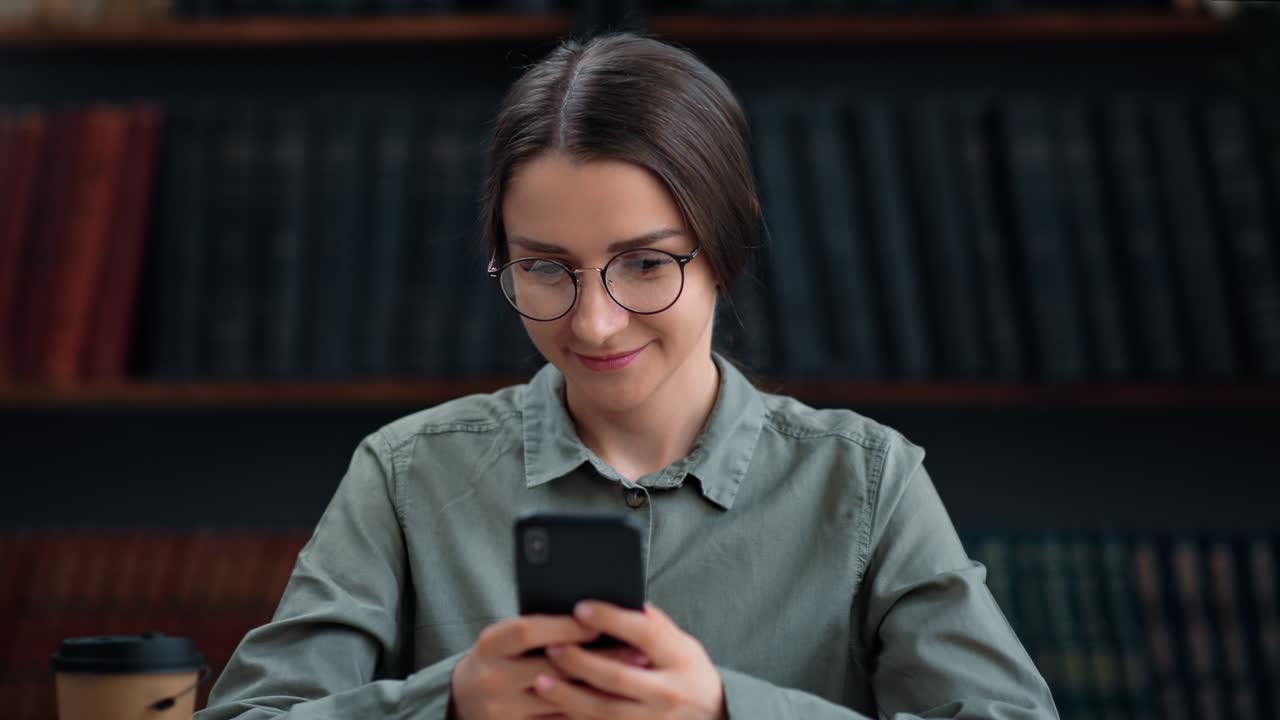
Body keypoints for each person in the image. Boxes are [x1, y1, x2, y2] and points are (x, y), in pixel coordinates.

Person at [197, 31, 1058, 720]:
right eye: (545, 268)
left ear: (727, 244)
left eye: (645, 264)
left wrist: (725, 709)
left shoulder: (866, 482)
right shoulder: (405, 474)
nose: (594, 323)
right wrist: (447, 703)